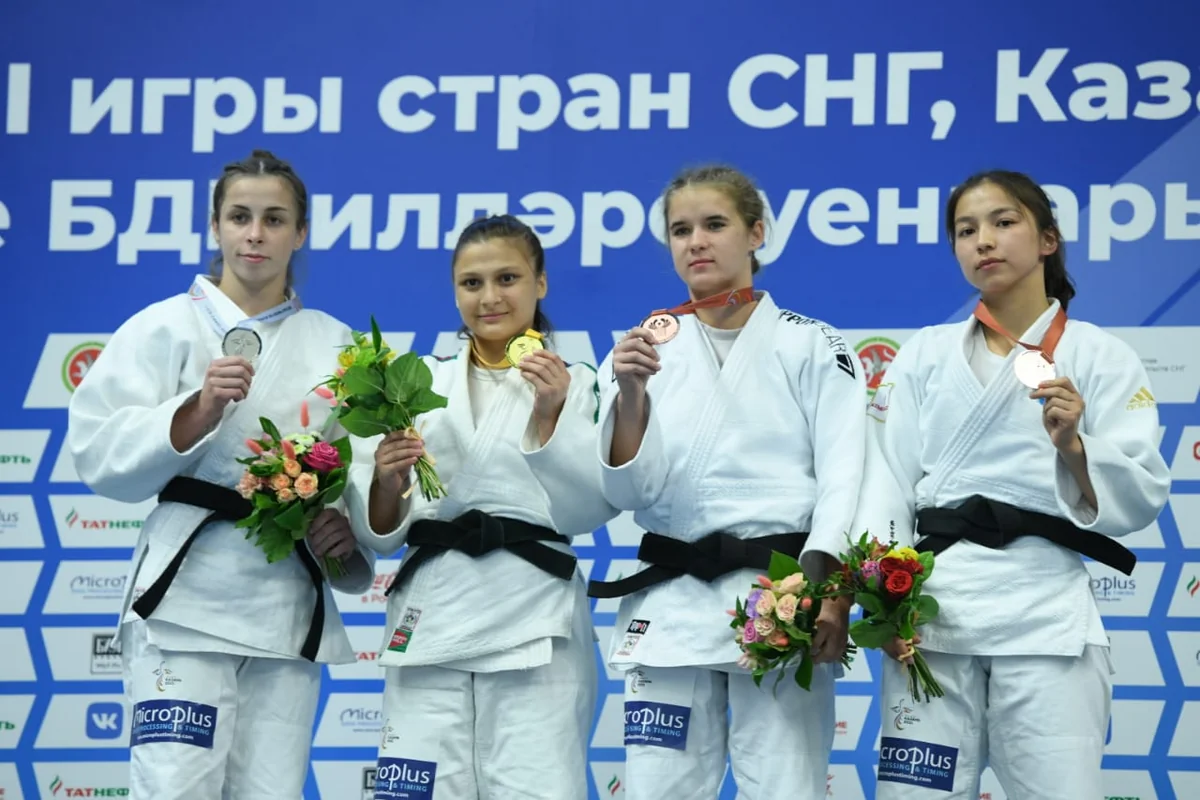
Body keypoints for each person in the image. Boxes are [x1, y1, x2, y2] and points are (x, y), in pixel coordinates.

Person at [66, 149, 377, 799]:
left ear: (301, 232)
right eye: (239, 217)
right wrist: (197, 410)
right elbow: (97, 453)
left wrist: (342, 530)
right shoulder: (161, 328)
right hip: (184, 600)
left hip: (284, 604)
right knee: (174, 786)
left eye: (274, 219)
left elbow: (359, 469)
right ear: (215, 226)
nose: (255, 234)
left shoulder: (337, 345)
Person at [854, 169, 1172, 799]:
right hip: (932, 614)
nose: (983, 241)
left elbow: (1140, 492)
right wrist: (883, 601)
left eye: (1003, 222)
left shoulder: (1101, 355)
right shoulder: (924, 354)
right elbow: (885, 479)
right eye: (965, 230)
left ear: (1048, 239)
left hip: (1045, 615)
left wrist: (1074, 446)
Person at [587, 164, 866, 798]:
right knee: (658, 790)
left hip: (779, 599)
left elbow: (846, 475)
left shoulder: (814, 344)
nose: (697, 242)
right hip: (670, 605)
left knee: (786, 789)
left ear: (756, 234)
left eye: (715, 224)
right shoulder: (640, 350)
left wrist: (832, 590)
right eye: (680, 230)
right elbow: (625, 493)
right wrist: (631, 395)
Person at [344, 214, 614, 799]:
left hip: (534, 618)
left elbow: (591, 509)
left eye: (507, 278)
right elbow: (383, 533)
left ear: (541, 283)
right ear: (454, 292)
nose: (489, 297)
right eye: (471, 283)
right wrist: (386, 482)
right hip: (432, 616)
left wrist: (551, 415)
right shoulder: (413, 385)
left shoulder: (579, 383)